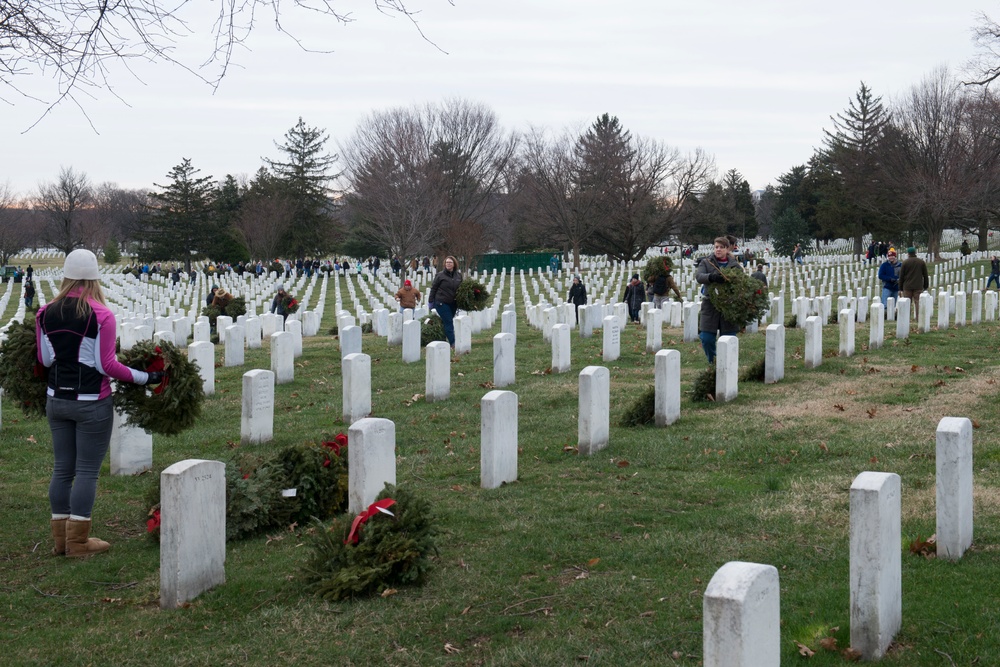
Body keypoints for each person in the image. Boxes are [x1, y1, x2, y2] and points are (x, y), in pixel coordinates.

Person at [36, 249, 163, 558]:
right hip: (92, 402)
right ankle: (78, 543)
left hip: (56, 400)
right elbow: (107, 365)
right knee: (87, 472)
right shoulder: (101, 315)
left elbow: (45, 359)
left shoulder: (44, 313)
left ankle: (60, 541)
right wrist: (146, 377)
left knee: (62, 469)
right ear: (94, 279)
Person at [695, 236, 740, 364]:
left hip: (728, 305)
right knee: (706, 337)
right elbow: (699, 276)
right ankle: (713, 360)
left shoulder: (734, 265)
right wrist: (712, 277)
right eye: (716, 247)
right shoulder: (706, 262)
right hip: (710, 304)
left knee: (728, 338)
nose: (718, 250)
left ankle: (726, 364)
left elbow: (740, 281)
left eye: (721, 247)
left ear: (727, 249)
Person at [428, 255, 462, 347]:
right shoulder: (440, 275)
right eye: (447, 262)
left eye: (450, 262)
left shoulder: (458, 276)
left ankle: (443, 338)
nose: (448, 264)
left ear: (454, 264)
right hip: (441, 302)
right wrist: (430, 302)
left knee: (447, 321)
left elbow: (462, 288)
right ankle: (453, 343)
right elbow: (433, 288)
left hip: (453, 303)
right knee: (448, 321)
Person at [900, 247, 929, 321]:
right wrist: (925, 286)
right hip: (918, 285)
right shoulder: (921, 262)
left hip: (907, 286)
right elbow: (925, 275)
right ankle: (918, 318)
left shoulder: (905, 262)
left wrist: (900, 288)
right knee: (918, 302)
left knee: (907, 302)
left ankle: (907, 318)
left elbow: (901, 276)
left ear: (908, 254)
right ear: (915, 253)